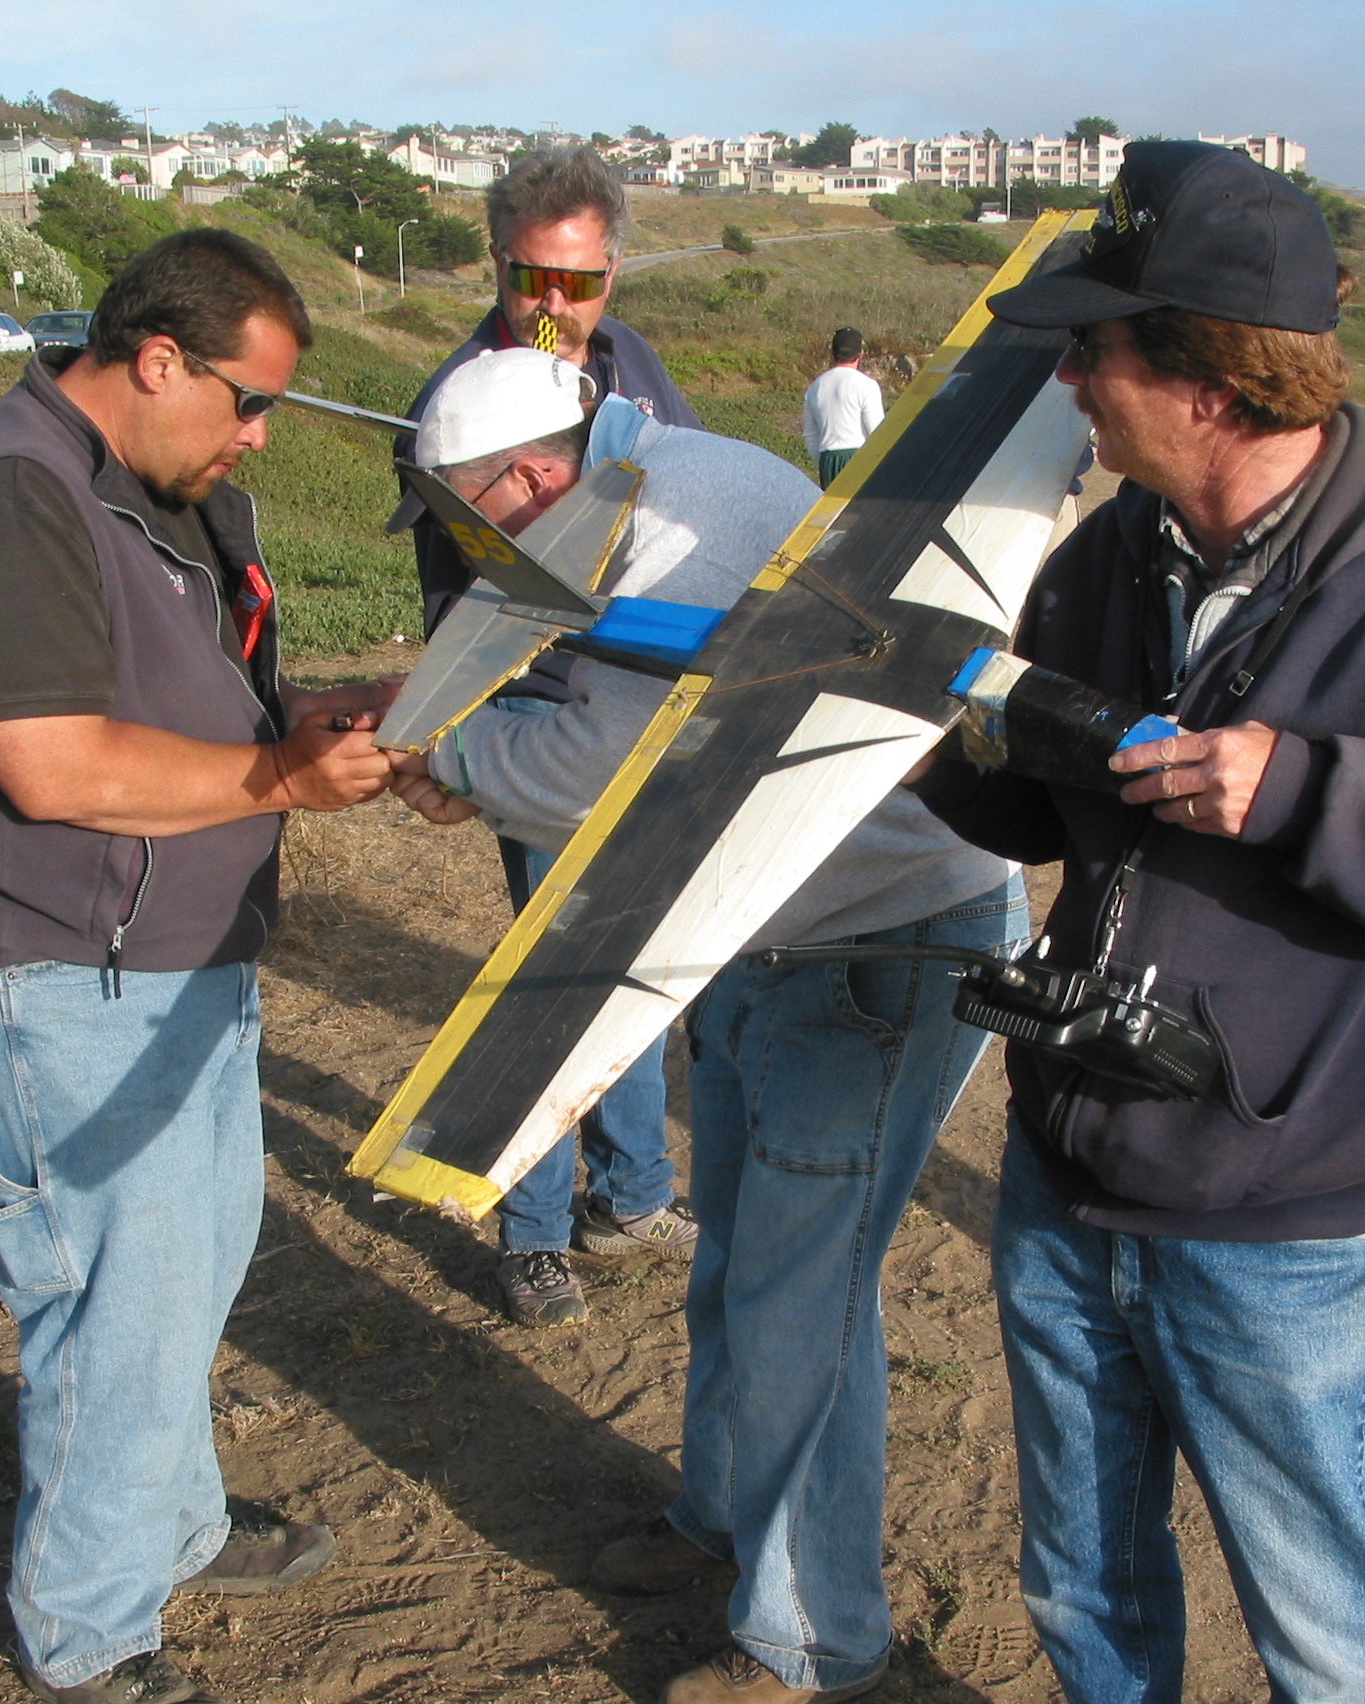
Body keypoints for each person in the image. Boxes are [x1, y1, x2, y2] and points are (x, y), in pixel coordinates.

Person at [911, 141, 1365, 1703]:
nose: (1071, 386)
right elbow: (1047, 816)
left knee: (1321, 1618)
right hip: (1068, 1162)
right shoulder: (1117, 551)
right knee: (1080, 1585)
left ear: (1211, 386)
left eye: (1095, 350)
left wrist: (1306, 792)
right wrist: (919, 732)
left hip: (1281, 1211)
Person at [388, 348, 1025, 1704]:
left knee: (804, 1296)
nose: (472, 543)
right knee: (742, 1261)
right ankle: (727, 1524)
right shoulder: (643, 481)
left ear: (530, 476)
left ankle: (810, 1646)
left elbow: (611, 767)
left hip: (882, 935)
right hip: (767, 925)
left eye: (470, 514)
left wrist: (438, 760)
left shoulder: (677, 529)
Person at [0, 230, 397, 1704]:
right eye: (246, 400)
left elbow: (222, 706)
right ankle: (89, 1634)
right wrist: (281, 786)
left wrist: (332, 716)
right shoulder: (11, 500)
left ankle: (167, 1529)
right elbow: (52, 764)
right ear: (156, 358)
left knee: (180, 1277)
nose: (257, 434)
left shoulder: (169, 495)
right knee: (116, 1307)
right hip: (57, 984)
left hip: (179, 969)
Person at [396, 146, 705, 1326]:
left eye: (580, 283)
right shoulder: (458, 398)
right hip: (532, 701)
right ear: (499, 263)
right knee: (553, 966)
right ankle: (528, 1226)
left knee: (624, 955)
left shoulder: (636, 369)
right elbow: (462, 607)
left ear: (612, 271)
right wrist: (462, 743)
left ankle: (629, 1197)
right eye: (534, 278)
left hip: (637, 696)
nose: (554, 307)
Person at [801, 327, 885, 489]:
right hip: (858, 458)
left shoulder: (815, 387)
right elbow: (877, 433)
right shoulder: (866, 384)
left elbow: (811, 436)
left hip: (828, 459)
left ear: (832, 352)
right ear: (860, 353)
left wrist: (825, 464)